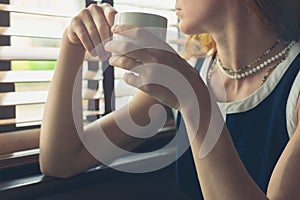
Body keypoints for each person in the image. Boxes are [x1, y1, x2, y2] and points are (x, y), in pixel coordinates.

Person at [39, 0, 300, 199]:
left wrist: (195, 100)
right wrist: (72, 45)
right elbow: (62, 160)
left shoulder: (294, 85)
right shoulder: (188, 75)